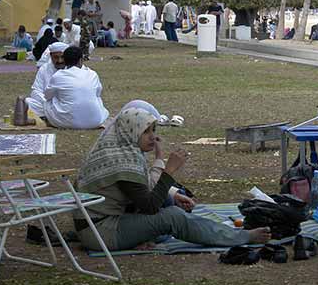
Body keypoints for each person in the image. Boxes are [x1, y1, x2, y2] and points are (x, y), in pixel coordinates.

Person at [73, 105, 271, 253]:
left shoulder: (120, 149)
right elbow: (149, 206)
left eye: (153, 131)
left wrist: (160, 161)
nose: (152, 137)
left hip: (101, 224)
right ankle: (241, 236)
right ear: (131, 132)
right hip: (100, 232)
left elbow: (144, 189)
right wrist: (169, 171)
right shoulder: (122, 162)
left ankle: (140, 237)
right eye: (146, 132)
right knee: (173, 217)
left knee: (168, 205)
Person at [43, 46, 109, 129]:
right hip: (95, 121)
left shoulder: (58, 75)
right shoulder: (92, 74)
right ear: (81, 60)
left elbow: (47, 96)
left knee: (47, 102)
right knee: (96, 98)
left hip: (67, 122)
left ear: (65, 61)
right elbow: (98, 94)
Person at [26, 42, 67, 119]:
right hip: (47, 105)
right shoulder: (44, 69)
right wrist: (48, 104)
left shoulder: (70, 68)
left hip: (65, 105)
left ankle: (50, 116)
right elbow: (35, 91)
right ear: (51, 56)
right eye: (56, 57)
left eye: (62, 57)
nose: (60, 60)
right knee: (27, 102)